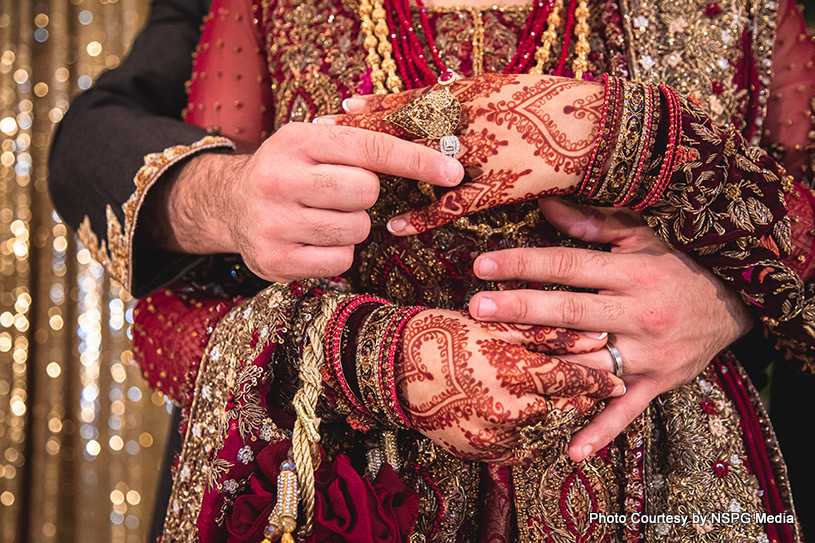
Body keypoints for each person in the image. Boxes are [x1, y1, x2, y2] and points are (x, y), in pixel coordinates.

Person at [48, 0, 815, 540]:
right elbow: (182, 309)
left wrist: (719, 283)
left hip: (662, 493)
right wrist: (366, 357)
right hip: (349, 486)